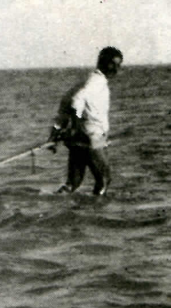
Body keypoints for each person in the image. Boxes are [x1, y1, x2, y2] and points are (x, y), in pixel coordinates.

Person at [51, 46, 124, 196]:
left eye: (118, 65)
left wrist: (57, 130)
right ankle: (98, 213)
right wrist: (76, 125)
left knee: (73, 183)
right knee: (104, 179)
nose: (116, 69)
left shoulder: (87, 81)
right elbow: (77, 100)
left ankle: (55, 206)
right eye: (113, 64)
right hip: (91, 138)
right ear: (102, 62)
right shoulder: (96, 82)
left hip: (78, 139)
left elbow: (65, 103)